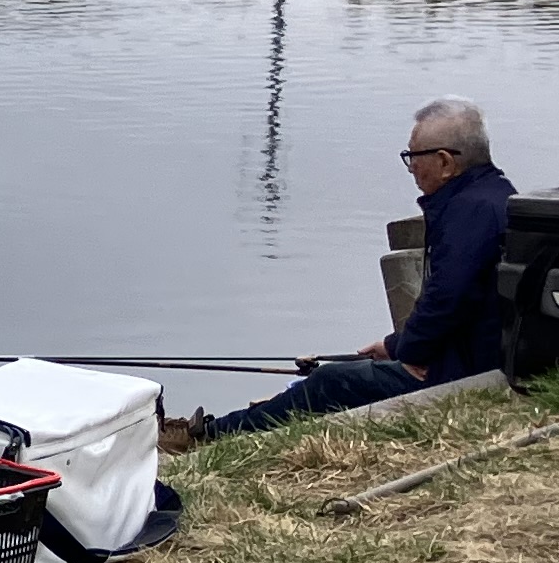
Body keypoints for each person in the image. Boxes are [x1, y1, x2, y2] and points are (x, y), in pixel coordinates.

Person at [185, 98, 518, 441]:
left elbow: (447, 298)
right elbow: (459, 302)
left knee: (329, 382)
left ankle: (212, 436)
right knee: (341, 374)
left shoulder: (469, 213)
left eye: (413, 157)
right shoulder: (493, 196)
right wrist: (394, 346)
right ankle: (217, 427)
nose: (411, 168)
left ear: (445, 162)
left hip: (467, 373)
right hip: (471, 355)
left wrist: (412, 353)